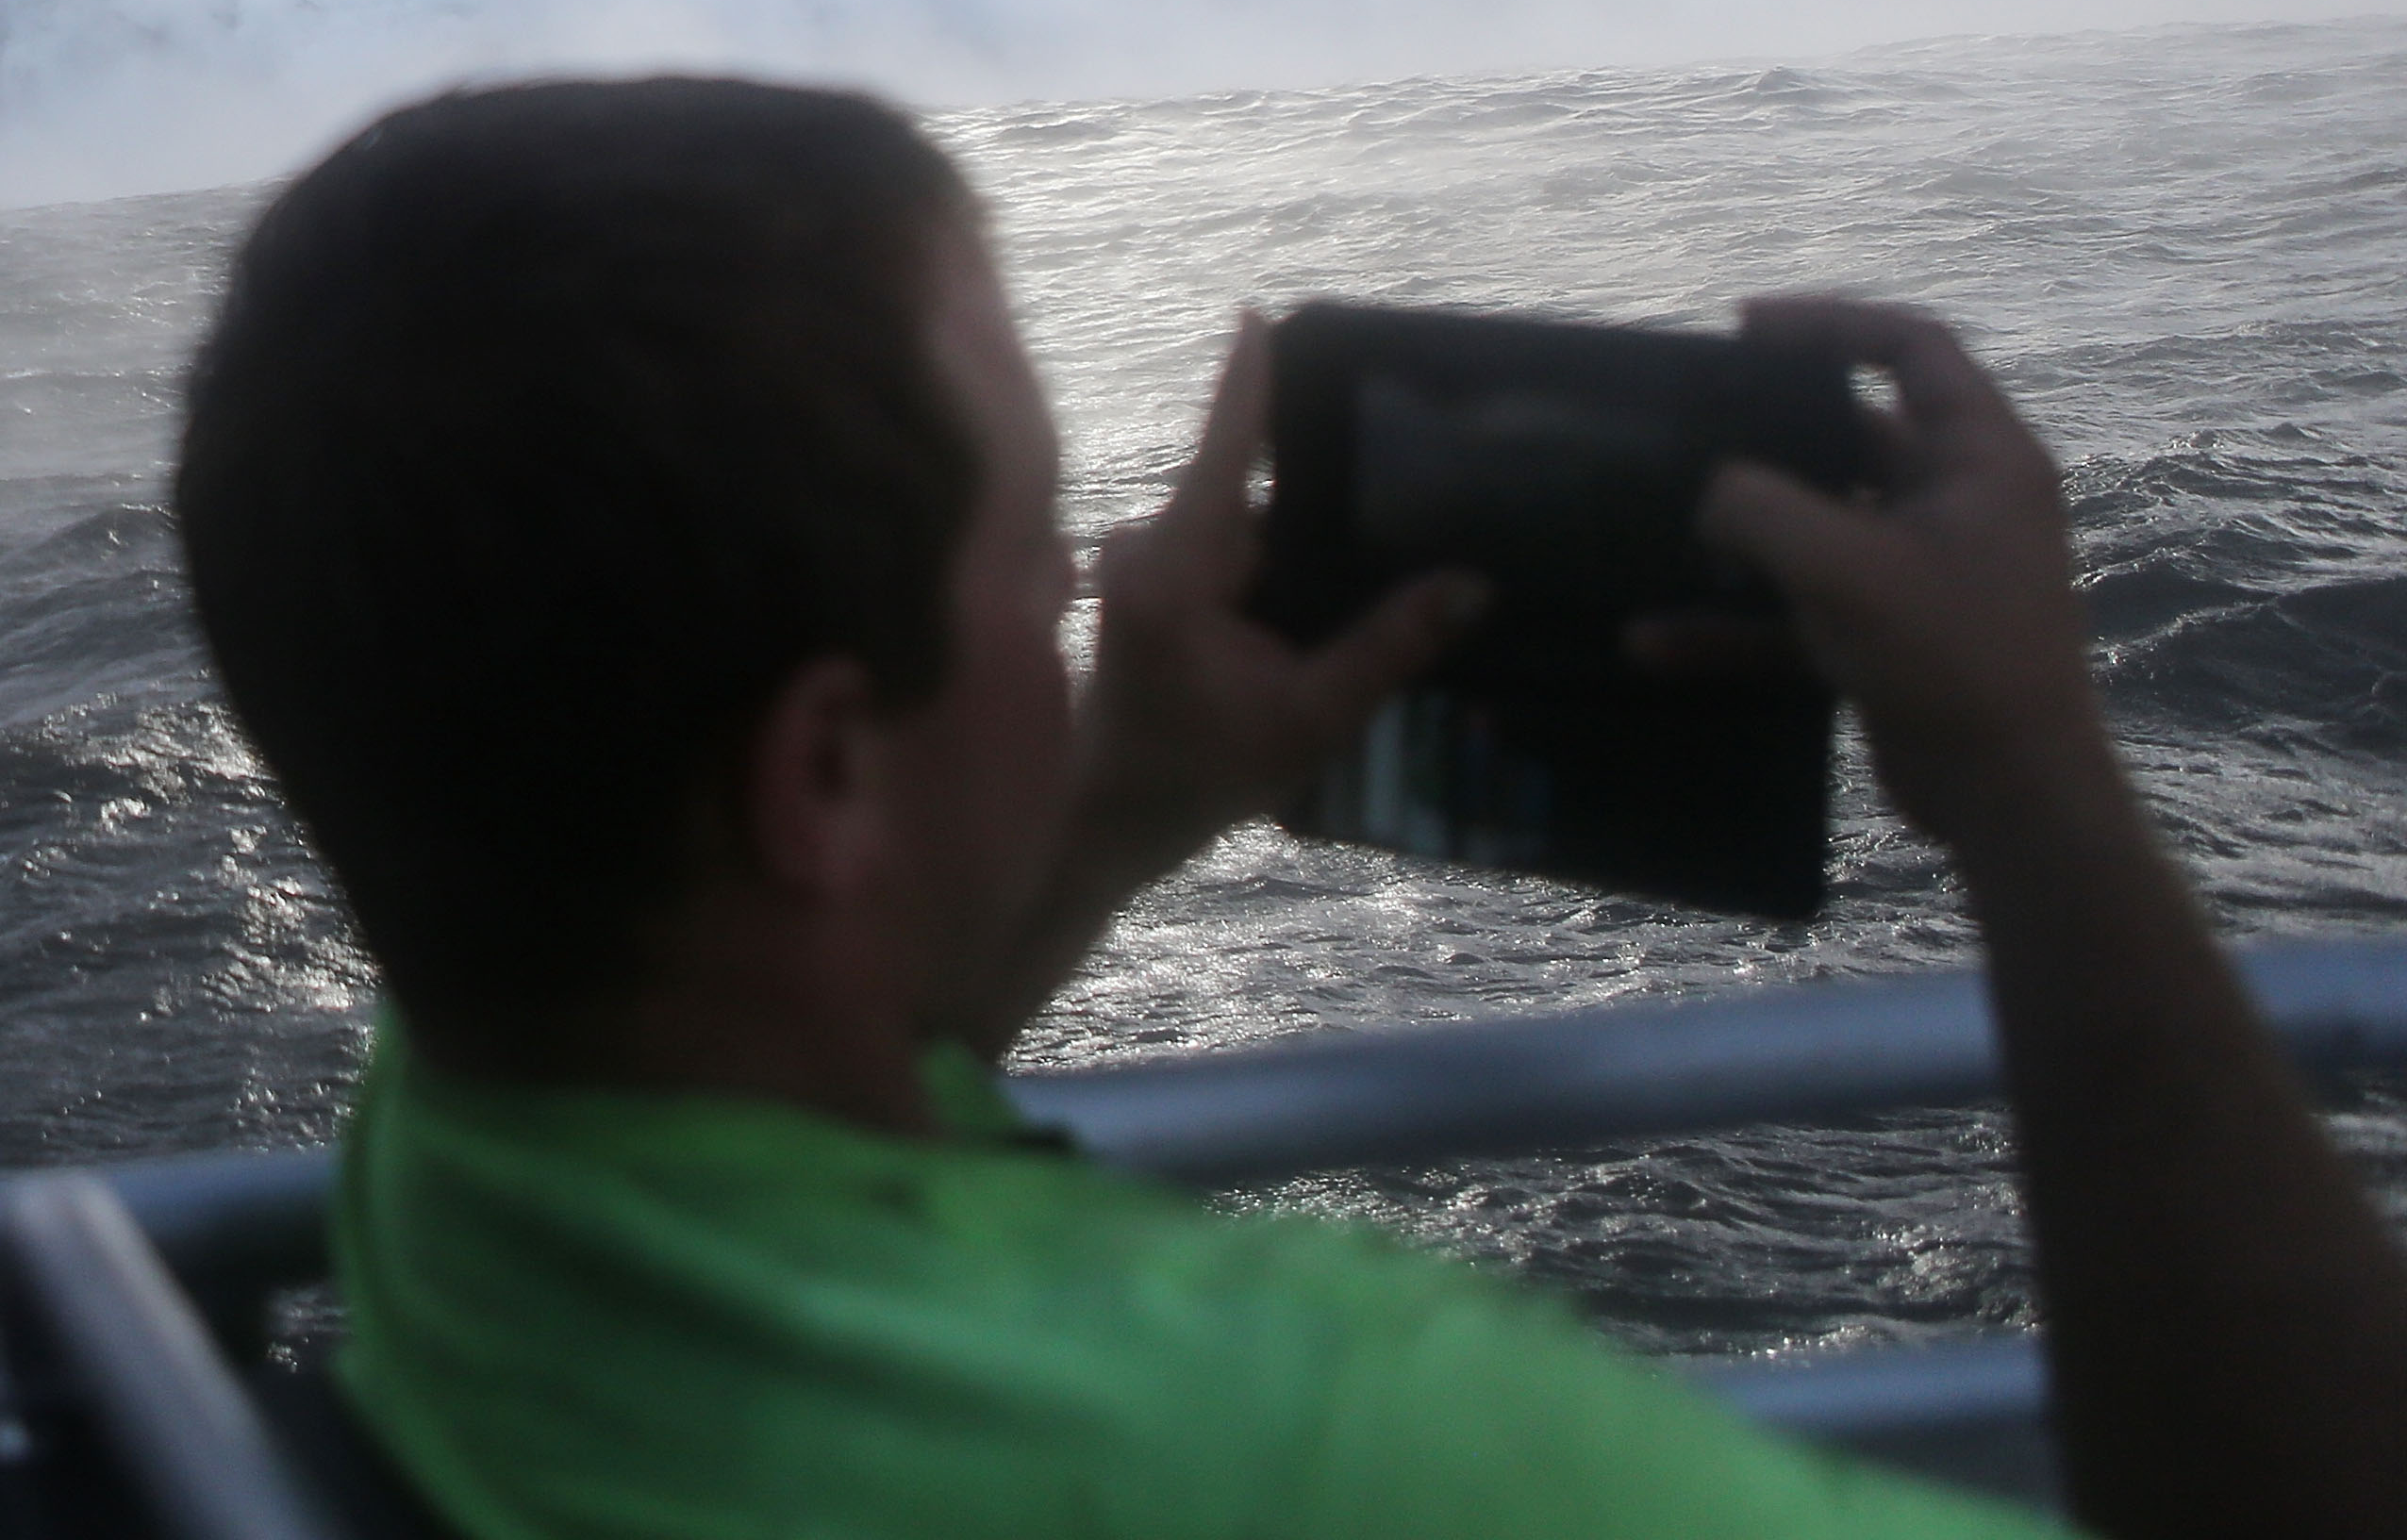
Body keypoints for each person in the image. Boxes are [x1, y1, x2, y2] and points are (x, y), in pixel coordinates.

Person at [172, 75, 2407, 1540]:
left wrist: (1132, 797)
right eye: (1045, 554)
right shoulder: (1330, 1449)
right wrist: (2034, 784)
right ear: (824, 771)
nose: (1103, 593)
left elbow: (791, 1014)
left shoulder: (462, 1143)